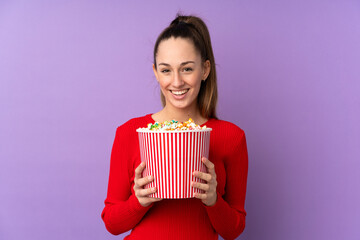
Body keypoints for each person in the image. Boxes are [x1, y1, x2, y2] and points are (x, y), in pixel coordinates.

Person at [101, 14, 248, 240]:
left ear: (205, 70)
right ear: (155, 72)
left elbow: (234, 230)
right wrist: (138, 202)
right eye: (166, 70)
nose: (176, 82)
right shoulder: (130, 133)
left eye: (187, 69)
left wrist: (213, 201)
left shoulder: (232, 137)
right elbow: (111, 223)